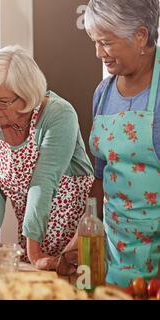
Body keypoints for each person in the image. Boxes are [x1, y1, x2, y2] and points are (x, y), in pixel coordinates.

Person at [0, 45, 95, 267]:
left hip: (76, 237)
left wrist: (35, 254)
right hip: (33, 238)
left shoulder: (59, 114)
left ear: (26, 96)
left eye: (2, 102)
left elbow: (42, 183)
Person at [78, 0, 159, 287]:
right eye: (95, 42)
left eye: (106, 43)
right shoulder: (103, 93)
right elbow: (100, 176)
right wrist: (83, 235)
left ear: (140, 36)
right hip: (112, 251)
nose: (99, 53)